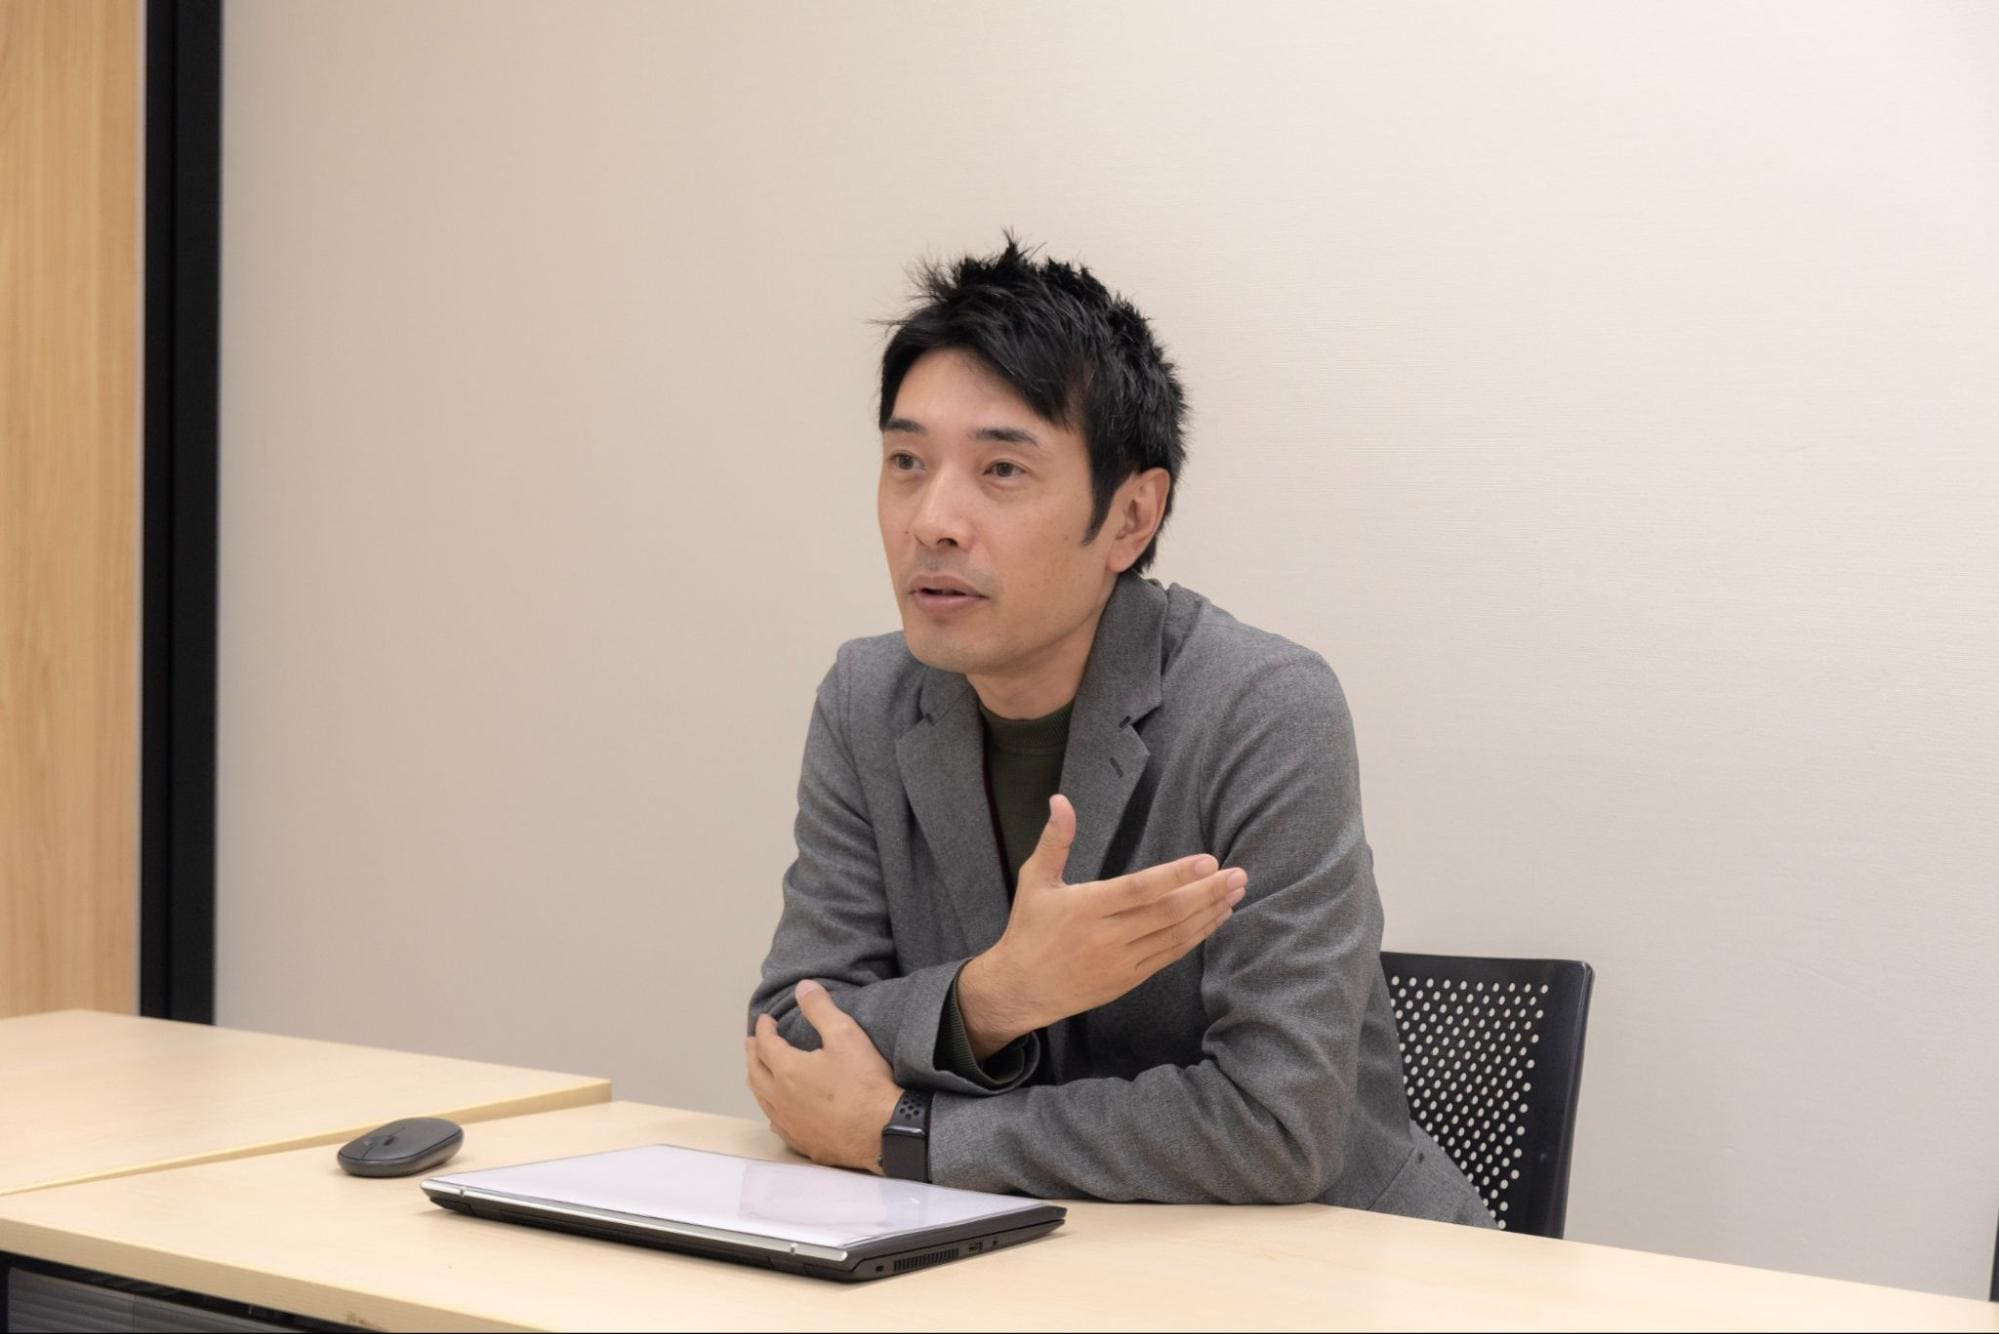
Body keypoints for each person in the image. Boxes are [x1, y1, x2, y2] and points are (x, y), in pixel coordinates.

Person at [744, 236, 1489, 1223]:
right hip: (1020, 1258)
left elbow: (1278, 1126)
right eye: (906, 462)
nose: (933, 520)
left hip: (1325, 1264)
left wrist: (910, 1132)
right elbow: (792, 1039)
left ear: (1131, 517)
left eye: (1001, 469)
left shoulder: (1263, 706)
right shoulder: (867, 698)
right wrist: (992, 997)